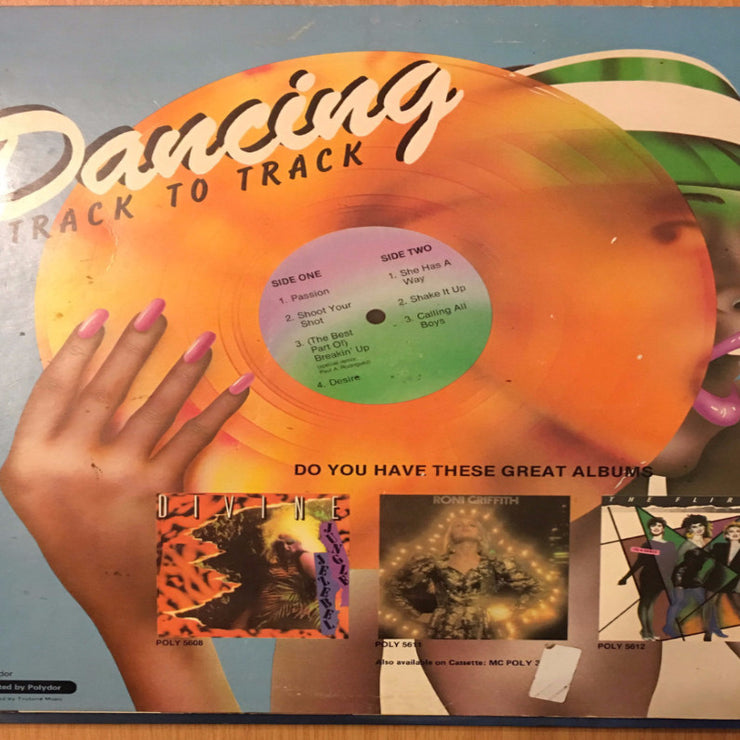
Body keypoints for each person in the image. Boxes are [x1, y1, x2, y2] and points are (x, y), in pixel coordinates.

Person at [385, 518, 539, 639]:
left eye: (472, 525)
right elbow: (393, 587)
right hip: (443, 630)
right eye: (458, 525)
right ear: (451, 534)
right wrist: (416, 615)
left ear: (480, 535)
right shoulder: (434, 563)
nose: (465, 526)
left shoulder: (495, 563)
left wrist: (511, 612)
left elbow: (535, 588)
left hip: (484, 630)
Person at [617, 517, 677, 640]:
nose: (656, 528)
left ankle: (649, 632)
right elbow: (639, 563)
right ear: (649, 529)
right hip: (648, 577)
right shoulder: (647, 545)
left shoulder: (670, 545)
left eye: (659, 525)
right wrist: (626, 577)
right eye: (653, 525)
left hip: (661, 579)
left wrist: (672, 581)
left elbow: (672, 564)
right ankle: (645, 631)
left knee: (651, 604)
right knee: (645, 603)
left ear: (663, 528)